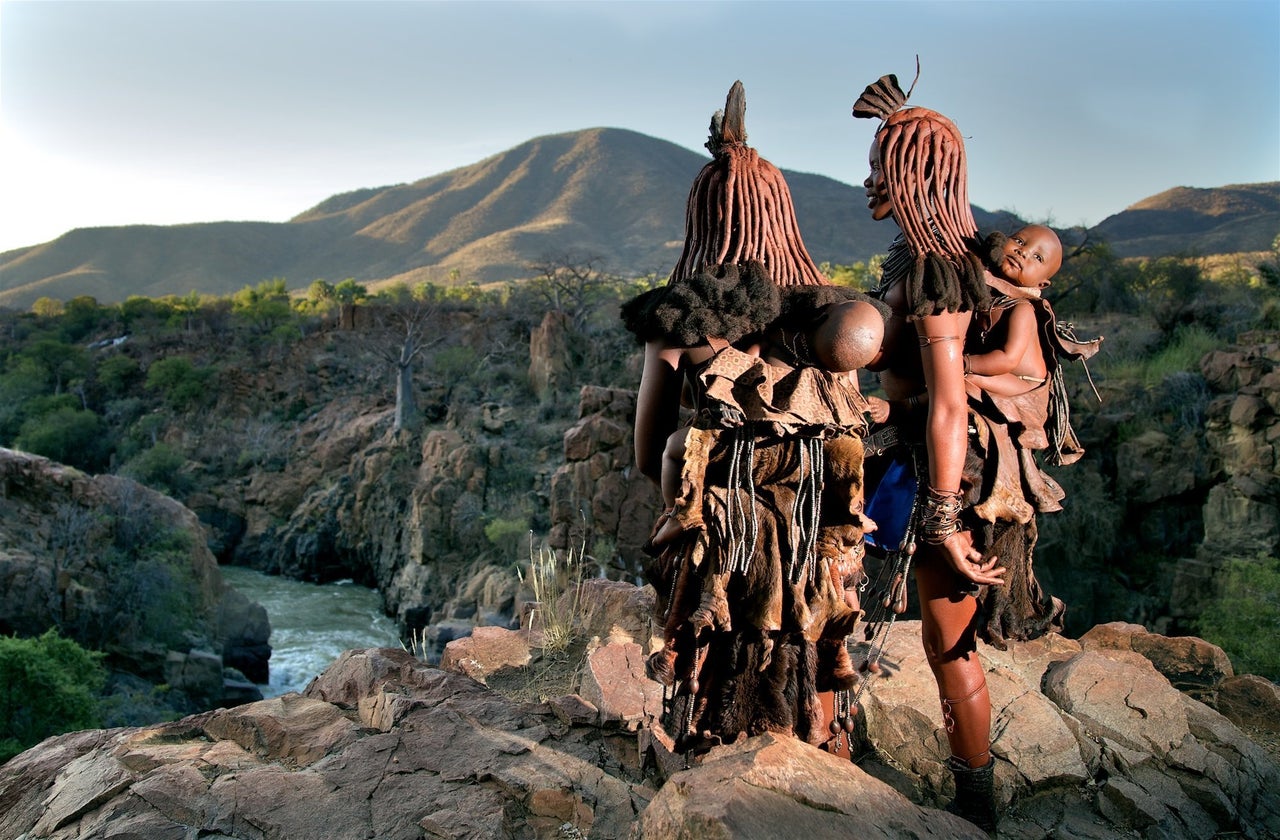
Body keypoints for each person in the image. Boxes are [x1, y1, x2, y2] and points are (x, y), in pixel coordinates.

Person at [849, 71, 1082, 834]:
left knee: (948, 643)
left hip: (945, 475)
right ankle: (837, 763)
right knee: (888, 625)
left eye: (882, 162)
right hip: (910, 457)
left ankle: (974, 810)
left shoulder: (940, 275)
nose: (869, 179)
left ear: (914, 174)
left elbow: (951, 400)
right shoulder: (935, 261)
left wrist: (944, 521)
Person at [624, 81, 887, 753]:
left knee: (715, 644)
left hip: (721, 526)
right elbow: (850, 429)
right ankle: (818, 758)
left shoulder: (678, 324)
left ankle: (718, 762)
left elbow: (648, 451)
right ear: (781, 215)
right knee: (812, 629)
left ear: (704, 220)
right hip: (815, 523)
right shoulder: (829, 320)